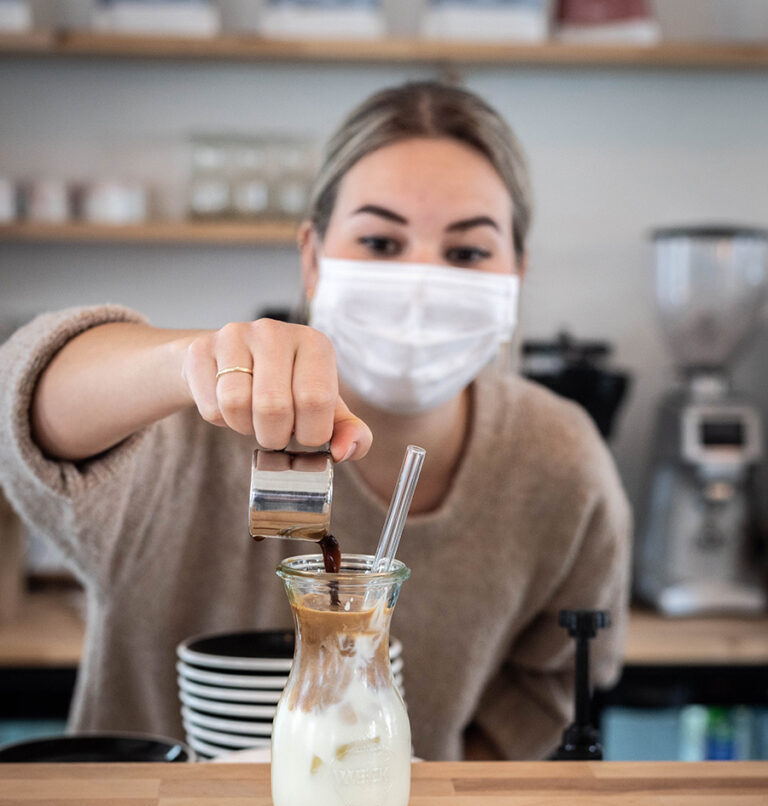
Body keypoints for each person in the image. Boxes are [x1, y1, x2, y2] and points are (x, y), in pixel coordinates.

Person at [0, 80, 631, 760]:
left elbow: (549, 693)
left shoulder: (559, 460)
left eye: (467, 252)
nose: (420, 280)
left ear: (518, 273)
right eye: (382, 243)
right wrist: (188, 361)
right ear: (311, 257)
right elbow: (24, 410)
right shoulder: (181, 426)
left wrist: (430, 800)